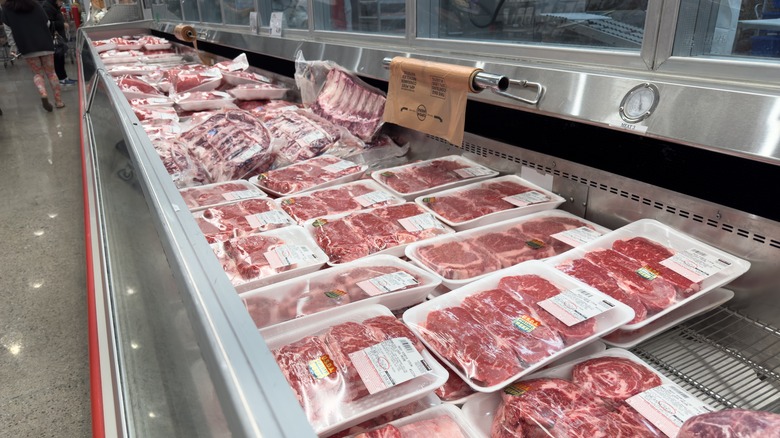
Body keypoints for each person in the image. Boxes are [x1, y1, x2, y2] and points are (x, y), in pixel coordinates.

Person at [1, 0, 64, 111]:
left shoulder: (6, 9)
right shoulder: (35, 4)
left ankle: (43, 93)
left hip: (27, 46)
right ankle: (59, 102)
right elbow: (47, 23)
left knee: (37, 74)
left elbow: (8, 30)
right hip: (45, 43)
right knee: (51, 73)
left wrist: (13, 46)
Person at [41, 0, 76, 86]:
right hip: (54, 38)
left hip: (58, 36)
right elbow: (48, 23)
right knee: (58, 59)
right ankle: (61, 79)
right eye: (61, 1)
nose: (62, 3)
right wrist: (62, 24)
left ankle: (64, 77)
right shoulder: (47, 7)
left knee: (61, 58)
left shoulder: (53, 6)